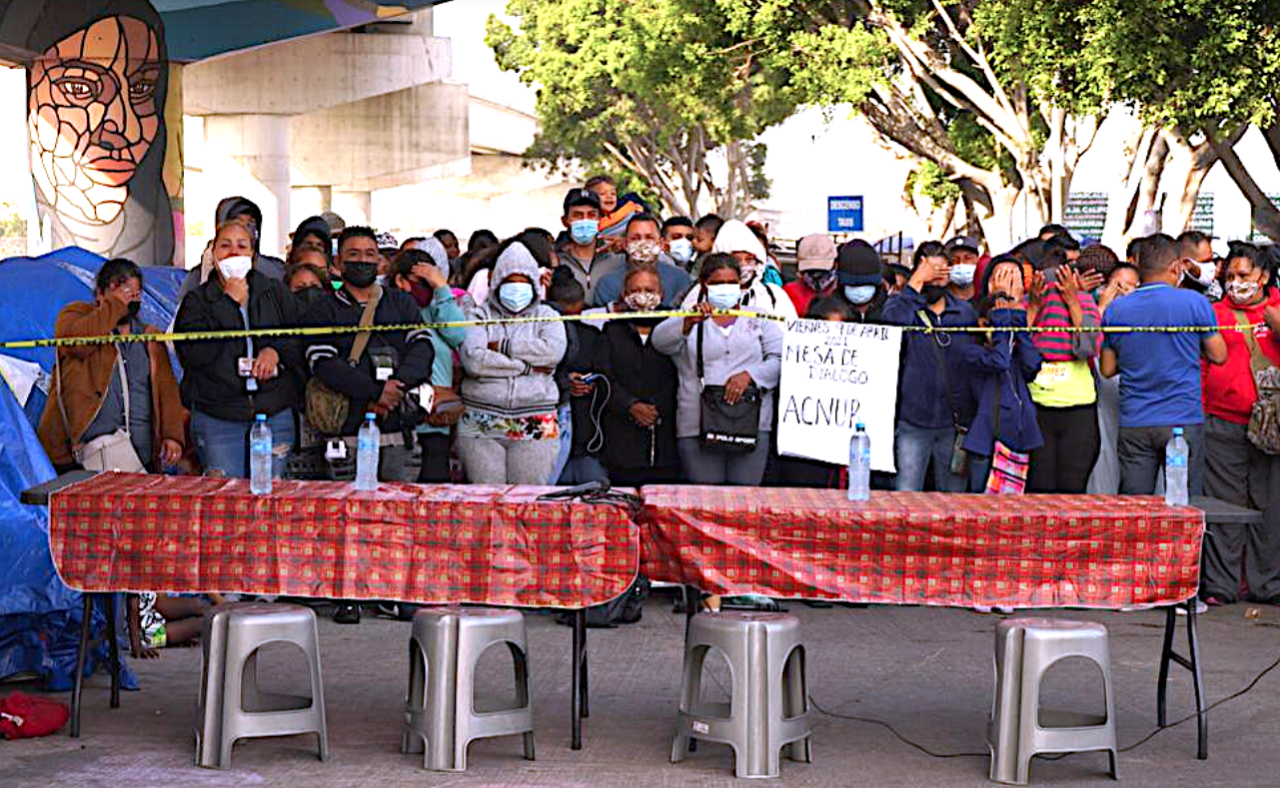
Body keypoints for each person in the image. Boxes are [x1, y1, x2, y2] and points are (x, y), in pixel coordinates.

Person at [1100, 235, 1227, 496]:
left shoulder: (1117, 310)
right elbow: (1219, 354)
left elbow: (1108, 368)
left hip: (1135, 421)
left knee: (1136, 508)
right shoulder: (1195, 303)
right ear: (1175, 267)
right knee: (1182, 505)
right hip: (1182, 421)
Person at [175, 221, 300, 478]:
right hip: (218, 416)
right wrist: (227, 304)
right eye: (225, 246)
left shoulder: (274, 292)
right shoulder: (197, 300)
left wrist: (274, 352)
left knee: (271, 497)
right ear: (213, 252)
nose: (233, 253)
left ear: (253, 254)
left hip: (273, 411)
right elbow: (192, 354)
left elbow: (298, 339)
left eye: (241, 246)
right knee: (226, 501)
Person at [39, 258, 186, 474]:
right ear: (99, 293)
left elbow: (167, 389)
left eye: (133, 295)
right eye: (121, 293)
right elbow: (76, 345)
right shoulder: (75, 316)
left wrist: (172, 435)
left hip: (139, 456)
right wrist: (113, 306)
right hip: (83, 456)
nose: (127, 302)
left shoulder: (149, 336)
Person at [653, 254, 783, 485]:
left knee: (744, 502)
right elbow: (660, 342)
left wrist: (751, 376)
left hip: (752, 423)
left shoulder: (759, 316)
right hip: (697, 423)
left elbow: (781, 358)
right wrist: (687, 321)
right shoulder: (690, 316)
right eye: (717, 283)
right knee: (706, 500)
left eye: (732, 283)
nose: (726, 288)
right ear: (704, 284)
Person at [1199, 242, 1280, 604]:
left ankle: (1269, 586)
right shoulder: (1211, 312)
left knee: (1271, 506)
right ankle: (1221, 586)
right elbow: (1201, 365)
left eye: (1244, 275)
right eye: (1230, 276)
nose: (1235, 283)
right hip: (1222, 422)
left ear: (1263, 276)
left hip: (1274, 429)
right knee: (1224, 506)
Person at [458, 242, 568, 485]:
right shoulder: (478, 316)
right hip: (481, 422)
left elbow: (552, 352)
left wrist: (504, 347)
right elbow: (474, 361)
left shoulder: (548, 316)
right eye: (510, 282)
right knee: (487, 503)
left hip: (536, 422)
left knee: (527, 504)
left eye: (523, 283)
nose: (517, 289)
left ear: (534, 285)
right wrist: (527, 367)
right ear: (496, 283)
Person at [882, 240, 979, 492]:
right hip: (912, 422)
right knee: (906, 496)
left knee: (953, 500)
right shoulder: (903, 307)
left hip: (953, 423)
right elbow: (892, 323)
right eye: (929, 275)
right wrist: (916, 283)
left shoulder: (964, 313)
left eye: (940, 274)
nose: (934, 281)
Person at [1023, 244, 1103, 494]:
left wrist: (1072, 300)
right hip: (1037, 405)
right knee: (1040, 487)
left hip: (1078, 407)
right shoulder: (1029, 303)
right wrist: (1035, 306)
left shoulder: (1085, 301)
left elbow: (1090, 346)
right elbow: (1017, 345)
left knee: (1072, 489)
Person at [960, 262, 1043, 491]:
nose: (1010, 285)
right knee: (982, 513)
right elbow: (1000, 359)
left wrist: (1017, 315)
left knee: (1013, 516)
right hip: (985, 440)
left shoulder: (1012, 328)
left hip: (1018, 436)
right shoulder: (969, 339)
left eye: (1015, 280)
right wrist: (1002, 314)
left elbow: (1032, 365)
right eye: (1003, 278)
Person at [389, 245, 467, 483]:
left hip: (435, 422)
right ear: (400, 280)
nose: (425, 288)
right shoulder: (388, 310)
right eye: (420, 281)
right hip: (397, 421)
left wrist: (442, 289)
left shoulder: (436, 311)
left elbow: (458, 335)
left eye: (429, 282)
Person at [596, 266, 681, 486]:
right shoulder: (611, 331)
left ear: (661, 294)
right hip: (622, 440)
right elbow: (604, 377)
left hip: (666, 438)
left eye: (649, 290)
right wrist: (630, 405)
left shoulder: (675, 327)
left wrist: (657, 409)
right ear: (625, 295)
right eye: (636, 290)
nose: (643, 295)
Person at [546, 269, 608, 485]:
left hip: (582, 432)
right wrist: (566, 382)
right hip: (558, 426)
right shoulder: (593, 336)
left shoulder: (592, 337)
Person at [1087, 263, 1140, 495]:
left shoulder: (1145, 316)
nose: (1121, 292)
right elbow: (1087, 342)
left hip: (1136, 401)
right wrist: (1103, 305)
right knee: (1104, 457)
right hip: (1104, 397)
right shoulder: (1097, 312)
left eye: (1128, 287)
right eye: (1116, 285)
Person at [682, 219, 796, 320]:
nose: (743, 265)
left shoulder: (773, 296)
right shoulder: (699, 294)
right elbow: (679, 333)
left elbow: (790, 335)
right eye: (736, 260)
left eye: (749, 259)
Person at [178, 196, 286, 301]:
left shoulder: (275, 272)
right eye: (236, 223)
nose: (234, 252)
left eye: (250, 225)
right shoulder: (196, 277)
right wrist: (206, 278)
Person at [591, 213, 692, 309]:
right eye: (635, 238)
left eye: (649, 238)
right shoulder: (608, 284)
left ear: (661, 244)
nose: (642, 243)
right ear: (625, 244)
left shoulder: (680, 279)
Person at [555, 187, 620, 304]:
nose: (585, 221)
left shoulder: (617, 258)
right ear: (565, 221)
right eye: (577, 215)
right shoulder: (555, 261)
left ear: (599, 219)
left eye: (591, 215)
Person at [784, 234, 838, 316]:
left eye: (822, 270)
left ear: (835, 264)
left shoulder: (844, 292)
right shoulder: (789, 293)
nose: (816, 276)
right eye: (811, 271)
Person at [836, 240, 888, 321]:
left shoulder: (892, 311)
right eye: (852, 285)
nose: (860, 292)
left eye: (867, 284)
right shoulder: (828, 311)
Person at [1177, 230, 1220, 298]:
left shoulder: (1216, 291)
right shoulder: (1174, 297)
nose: (1212, 266)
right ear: (1185, 264)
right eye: (1205, 262)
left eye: (1212, 260)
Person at [945, 236, 981, 303]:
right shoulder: (940, 302)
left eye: (968, 258)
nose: (961, 263)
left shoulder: (985, 301)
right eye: (954, 260)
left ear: (977, 260)